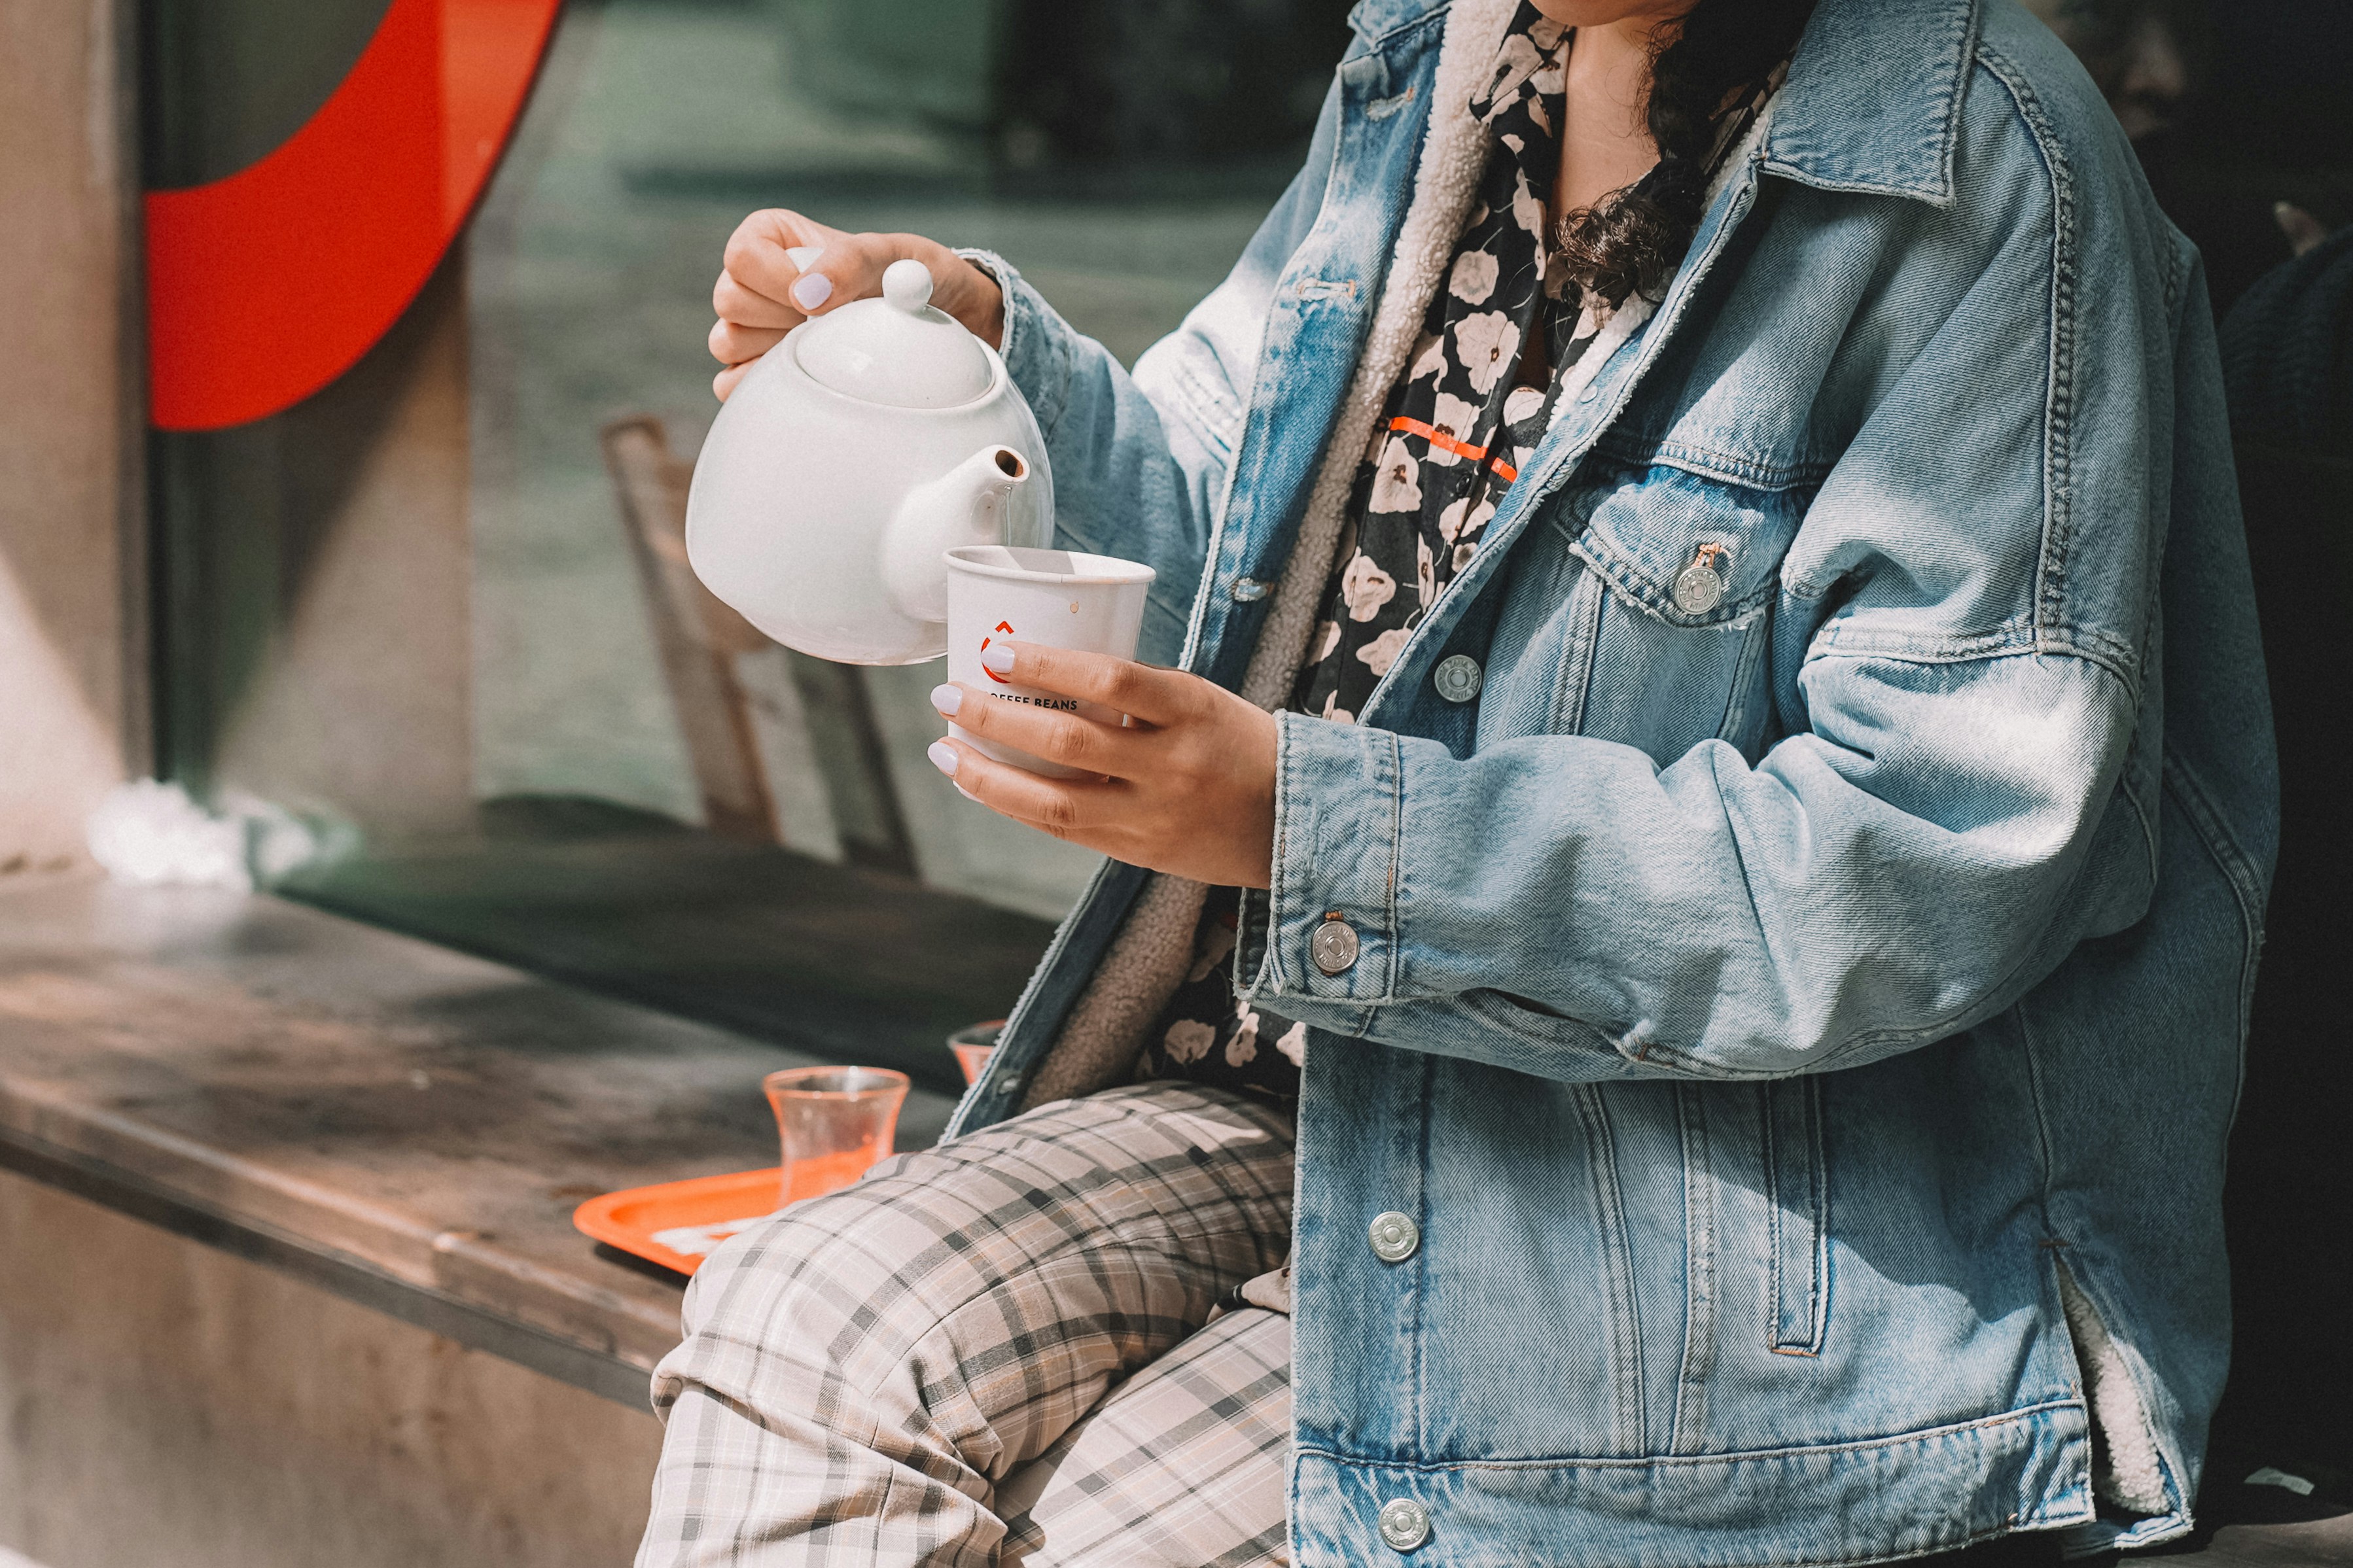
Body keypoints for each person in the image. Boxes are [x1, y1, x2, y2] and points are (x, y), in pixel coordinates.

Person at [640, 0, 2277, 1561]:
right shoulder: (1451, 62)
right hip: (1306, 1090)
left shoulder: (1977, 163)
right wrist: (989, 374)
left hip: (1711, 1242)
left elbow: (1930, 858)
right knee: (792, 1316)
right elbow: (1243, 550)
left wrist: (1306, 824)